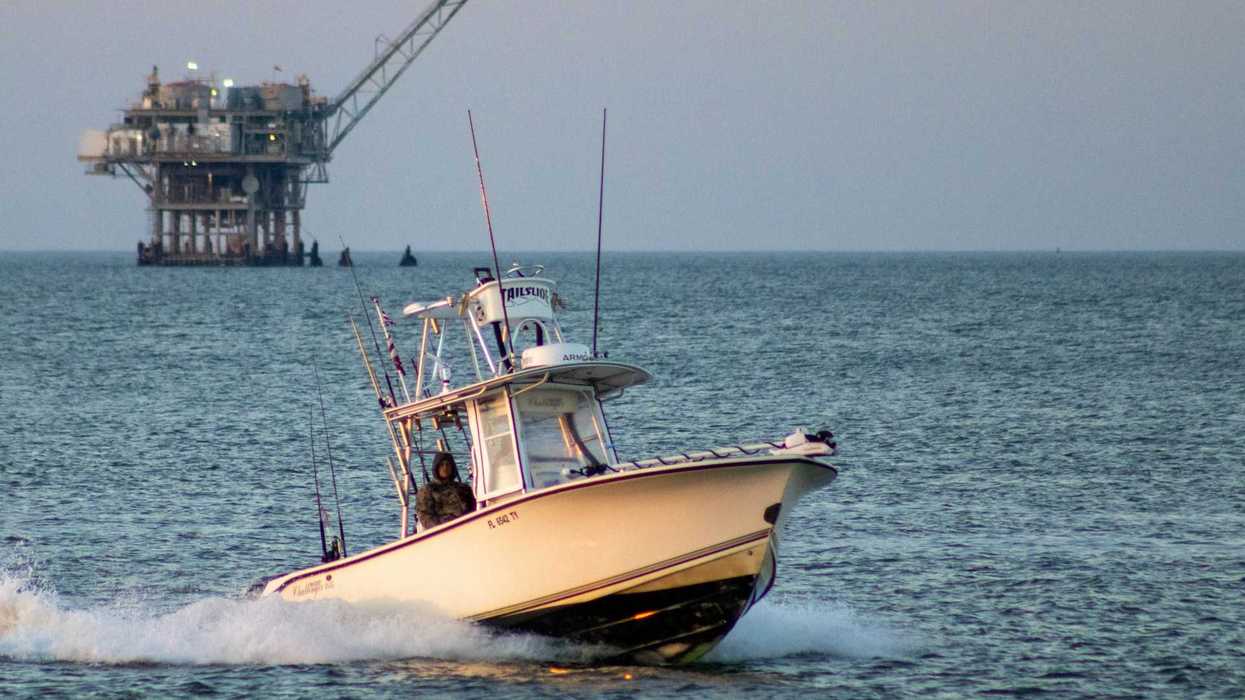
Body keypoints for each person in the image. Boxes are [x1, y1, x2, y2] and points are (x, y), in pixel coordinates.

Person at [415, 452, 476, 530]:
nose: (445, 468)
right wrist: (442, 526)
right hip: (443, 530)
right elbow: (425, 516)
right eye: (442, 465)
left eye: (448, 464)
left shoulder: (464, 488)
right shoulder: (427, 490)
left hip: (468, 526)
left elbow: (475, 508)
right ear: (436, 467)